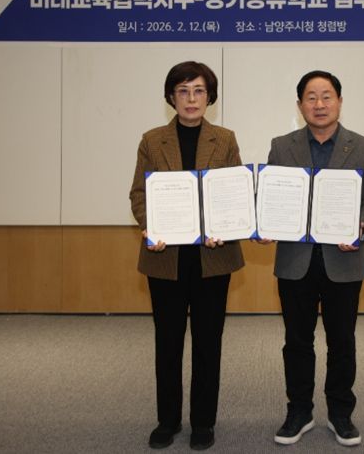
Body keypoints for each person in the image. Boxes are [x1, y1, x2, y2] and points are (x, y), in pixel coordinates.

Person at [262, 70, 364, 447]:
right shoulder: (281, 146)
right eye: (311, 97)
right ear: (300, 104)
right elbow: (271, 195)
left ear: (339, 101)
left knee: (342, 341)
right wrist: (265, 219)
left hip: (343, 261)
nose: (319, 104)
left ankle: (340, 413)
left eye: (327, 96)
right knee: (296, 342)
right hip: (295, 260)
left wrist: (361, 225)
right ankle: (299, 411)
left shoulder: (363, 146)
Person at [129, 61, 245, 450]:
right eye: (183, 91)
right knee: (168, 342)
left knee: (208, 343)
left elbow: (233, 193)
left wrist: (225, 227)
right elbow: (139, 194)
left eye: (198, 91)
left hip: (213, 258)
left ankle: (203, 423)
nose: (191, 99)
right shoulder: (152, 140)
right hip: (166, 259)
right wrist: (151, 226)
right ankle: (168, 420)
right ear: (171, 97)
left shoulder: (224, 139)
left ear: (209, 97)